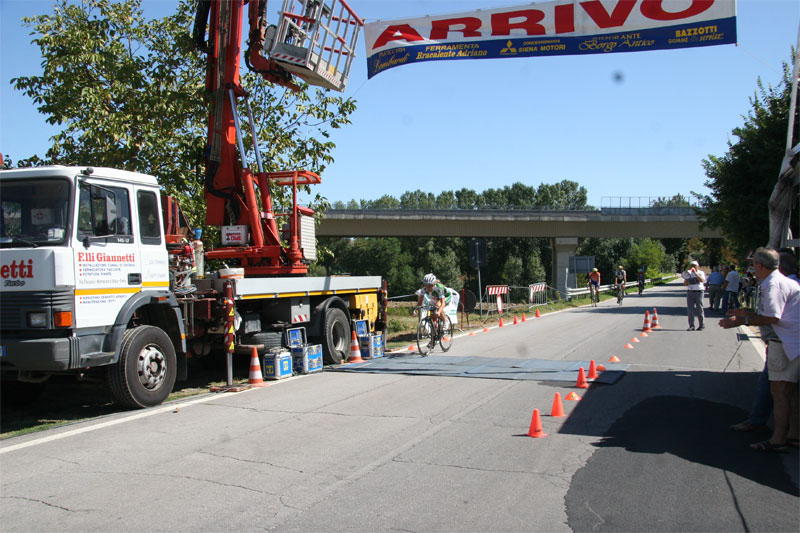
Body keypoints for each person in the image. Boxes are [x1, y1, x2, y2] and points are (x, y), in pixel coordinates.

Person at [720, 248, 799, 453]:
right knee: (790, 393)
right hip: (792, 342)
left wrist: (742, 320)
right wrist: (746, 312)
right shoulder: (782, 281)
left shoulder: (773, 284)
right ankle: (793, 435)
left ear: (760, 266)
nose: (752, 268)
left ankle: (778, 441)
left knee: (779, 393)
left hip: (783, 344)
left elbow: (773, 317)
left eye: (753, 264)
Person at [413, 273, 453, 347]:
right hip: (435, 297)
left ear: (434, 284)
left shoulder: (439, 288)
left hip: (446, 297)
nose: (428, 288)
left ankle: (445, 321)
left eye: (430, 285)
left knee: (438, 305)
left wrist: (438, 312)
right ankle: (434, 337)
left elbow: (443, 303)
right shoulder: (423, 290)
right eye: (426, 285)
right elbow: (419, 303)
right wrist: (416, 310)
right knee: (432, 315)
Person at [682, 260, 706, 330]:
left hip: (699, 292)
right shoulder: (688, 273)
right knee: (690, 310)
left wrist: (695, 273)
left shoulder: (701, 273)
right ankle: (691, 326)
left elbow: (702, 280)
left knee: (699, 309)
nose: (693, 267)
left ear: (697, 266)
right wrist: (686, 277)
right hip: (690, 292)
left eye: (694, 266)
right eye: (691, 266)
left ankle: (701, 325)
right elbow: (685, 284)